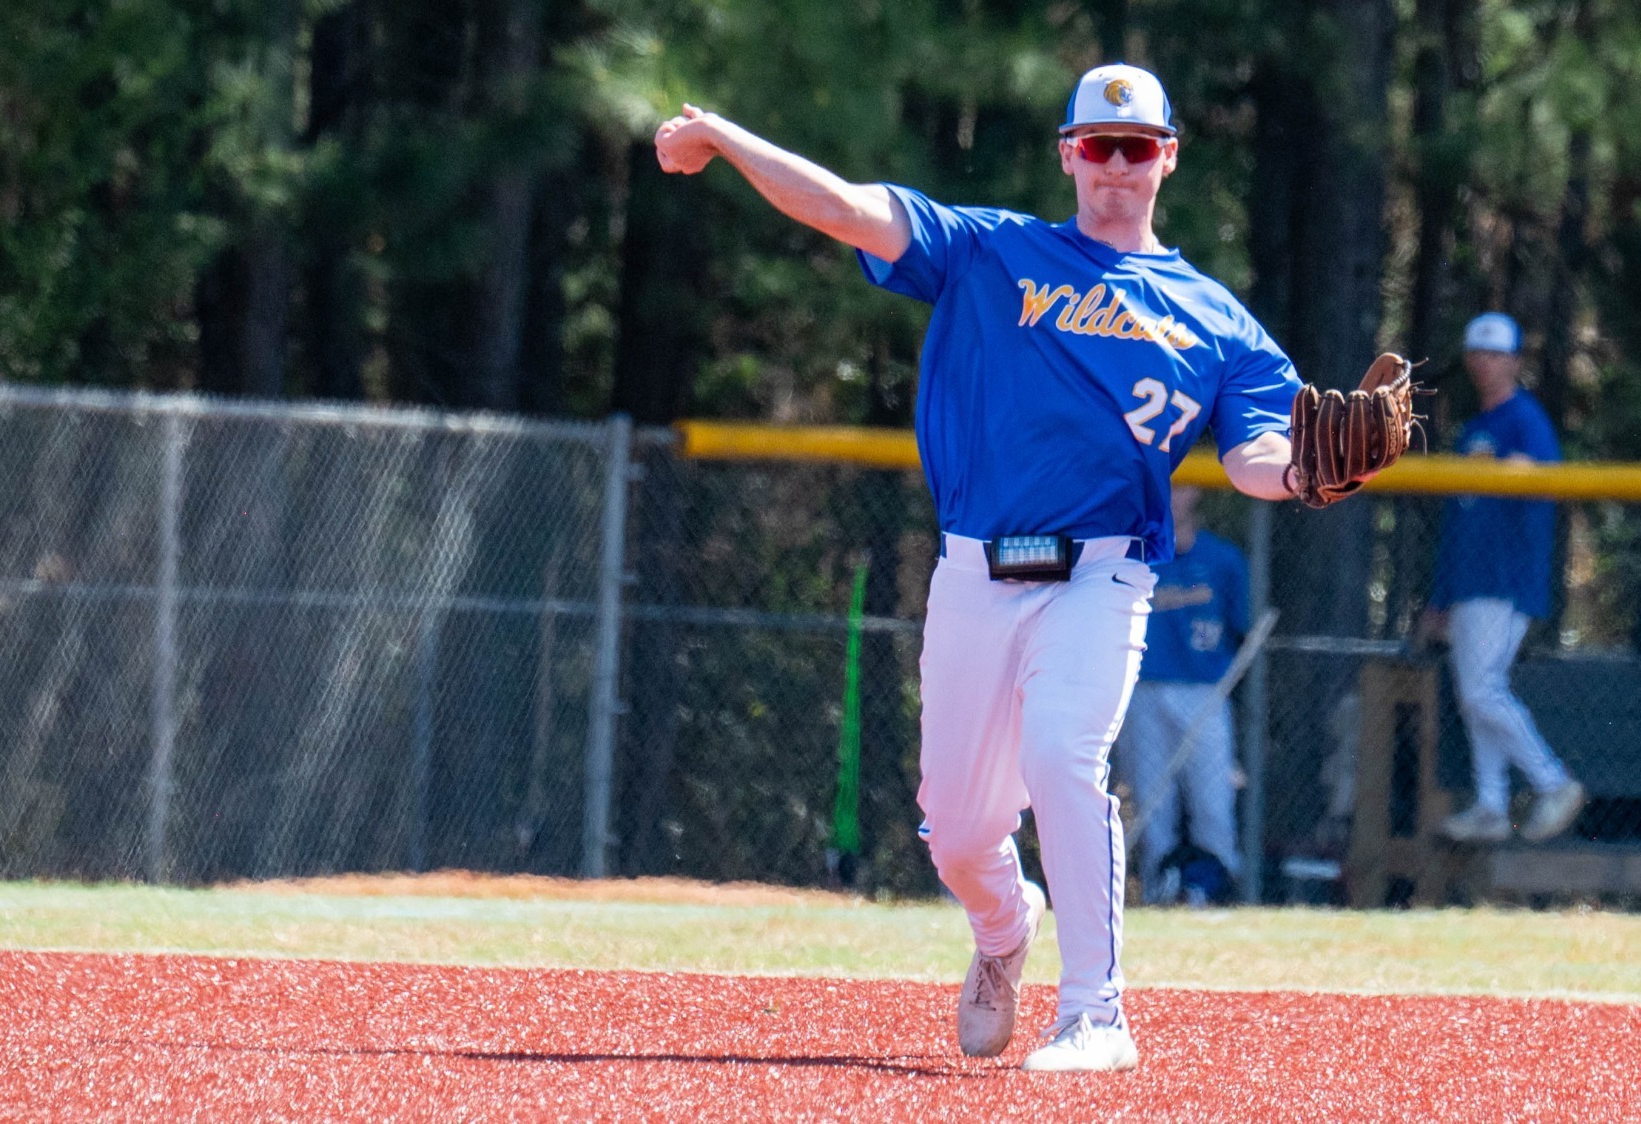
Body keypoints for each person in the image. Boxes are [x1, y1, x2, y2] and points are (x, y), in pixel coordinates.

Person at [654, 63, 1310, 1072]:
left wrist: (1307, 471)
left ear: (1168, 158)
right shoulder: (989, 251)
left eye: (1137, 146)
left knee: (1063, 757)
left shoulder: (1218, 321)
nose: (1118, 164)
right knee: (958, 831)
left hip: (1103, 573)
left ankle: (1094, 1014)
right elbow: (845, 208)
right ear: (1068, 154)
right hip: (975, 572)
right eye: (1099, 145)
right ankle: (1004, 925)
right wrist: (728, 138)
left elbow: (1256, 454)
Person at [1426, 312, 1587, 846]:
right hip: (1469, 579)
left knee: (1480, 690)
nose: (1486, 363)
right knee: (1477, 692)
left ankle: (1552, 781)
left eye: (1497, 354)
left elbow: (1545, 491)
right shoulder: (1473, 430)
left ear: (1515, 361)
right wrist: (1441, 596)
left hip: (1505, 578)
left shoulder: (1526, 420)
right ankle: (1491, 805)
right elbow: (1458, 519)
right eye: (1478, 353)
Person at [1118, 484, 1249, 906]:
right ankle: (1161, 890)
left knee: (1212, 800)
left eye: (1182, 484)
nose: (1173, 493)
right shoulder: (1135, 556)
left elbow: (1239, 628)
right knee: (1152, 802)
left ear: (1196, 492)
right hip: (1144, 689)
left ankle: (1216, 888)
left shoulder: (1222, 560)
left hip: (1205, 692)